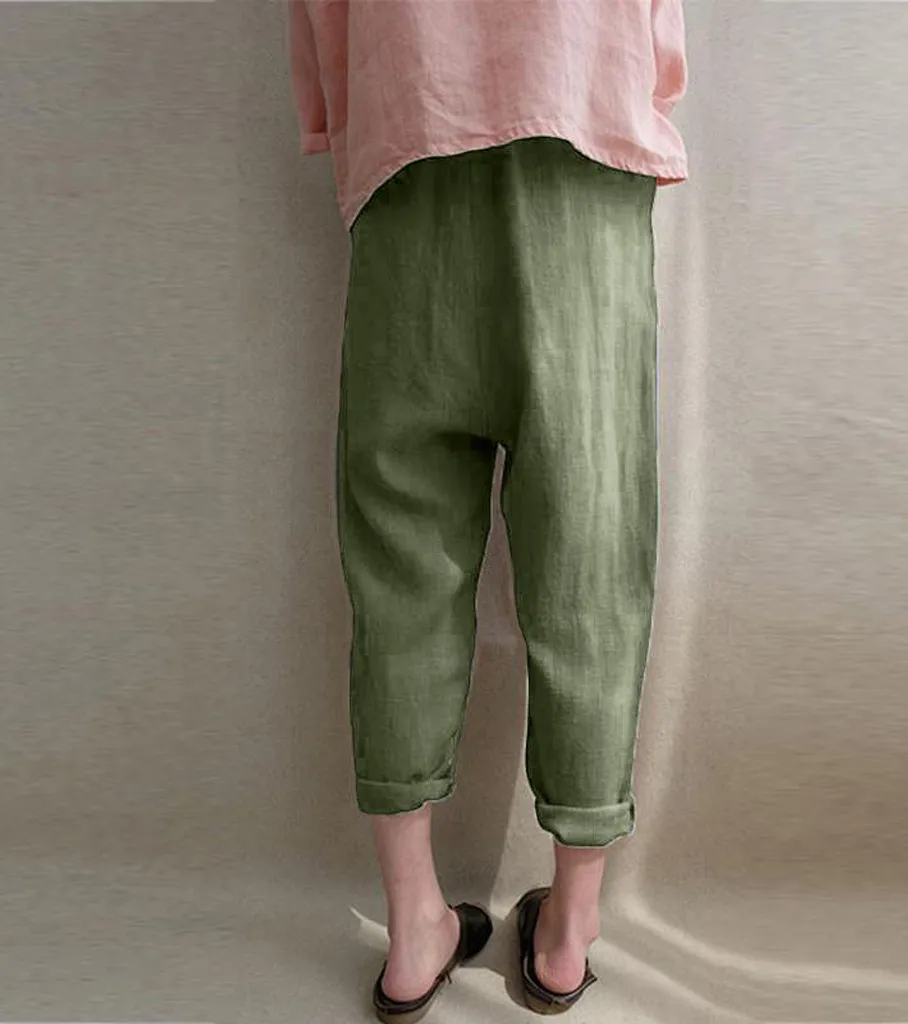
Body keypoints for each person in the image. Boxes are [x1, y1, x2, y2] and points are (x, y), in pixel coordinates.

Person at [288, 1, 688, 1019]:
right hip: (582, 151)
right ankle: (568, 934)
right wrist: (646, 77)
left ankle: (411, 929)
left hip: (407, 152)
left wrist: (348, 111)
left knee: (401, 573)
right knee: (590, 565)